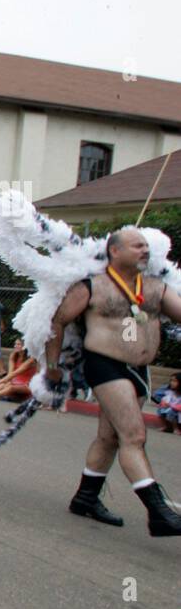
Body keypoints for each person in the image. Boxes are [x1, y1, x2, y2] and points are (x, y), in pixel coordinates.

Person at [48, 227, 181, 536]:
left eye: (147, 246)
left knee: (109, 438)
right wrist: (53, 366)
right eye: (137, 246)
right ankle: (158, 512)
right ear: (115, 251)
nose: (145, 251)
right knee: (133, 437)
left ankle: (85, 498)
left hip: (139, 371)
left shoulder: (156, 287)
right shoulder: (91, 287)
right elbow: (58, 321)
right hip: (104, 365)